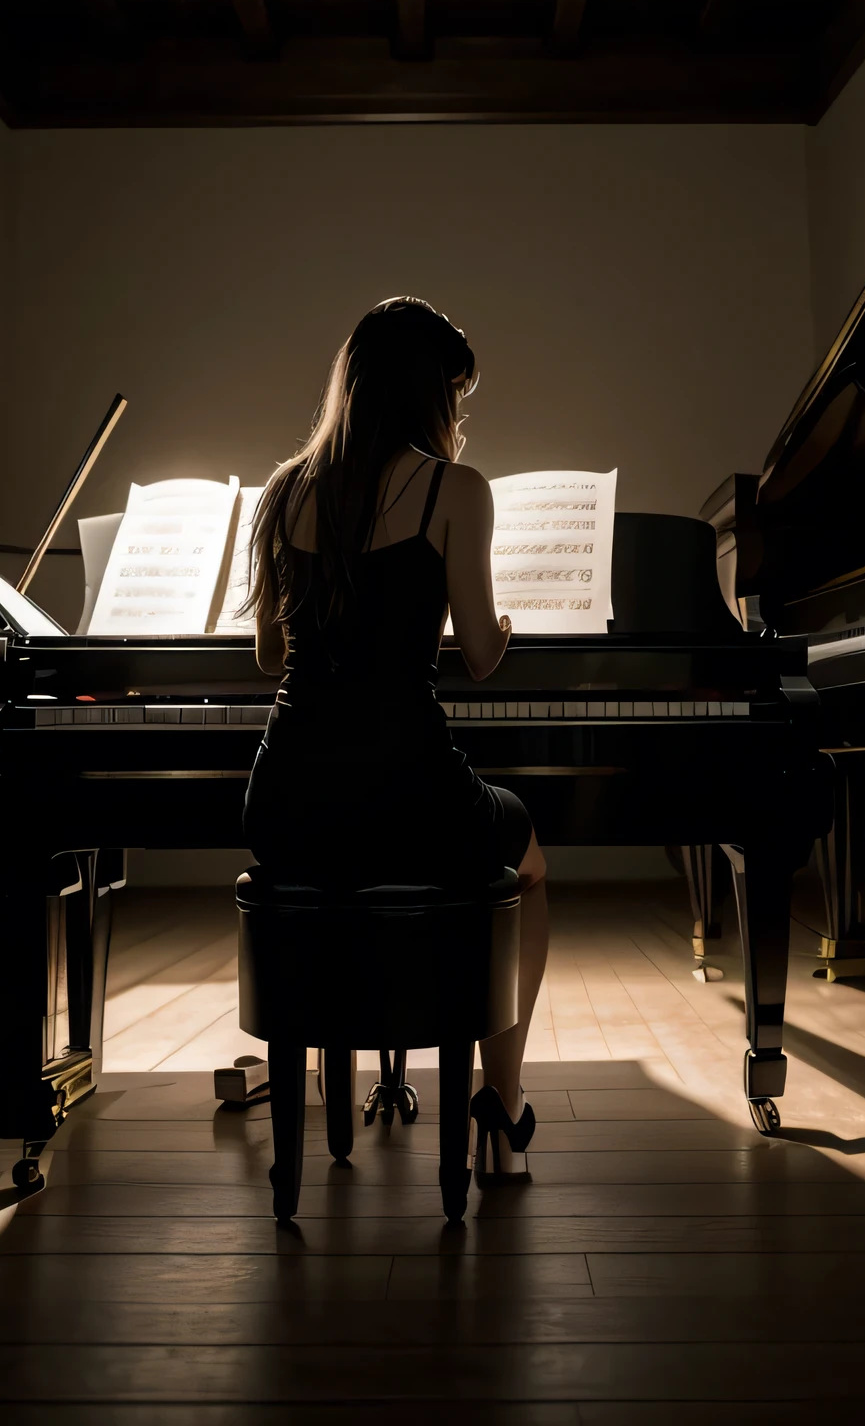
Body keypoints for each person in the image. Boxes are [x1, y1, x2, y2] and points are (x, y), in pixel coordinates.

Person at [242, 296, 549, 1175]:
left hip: (289, 799)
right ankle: (504, 1107)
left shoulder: (281, 492)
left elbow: (270, 655)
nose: (458, 415)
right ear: (428, 395)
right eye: (456, 394)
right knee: (526, 863)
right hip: (411, 791)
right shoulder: (455, 490)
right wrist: (508, 621)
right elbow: (483, 655)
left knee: (338, 865)